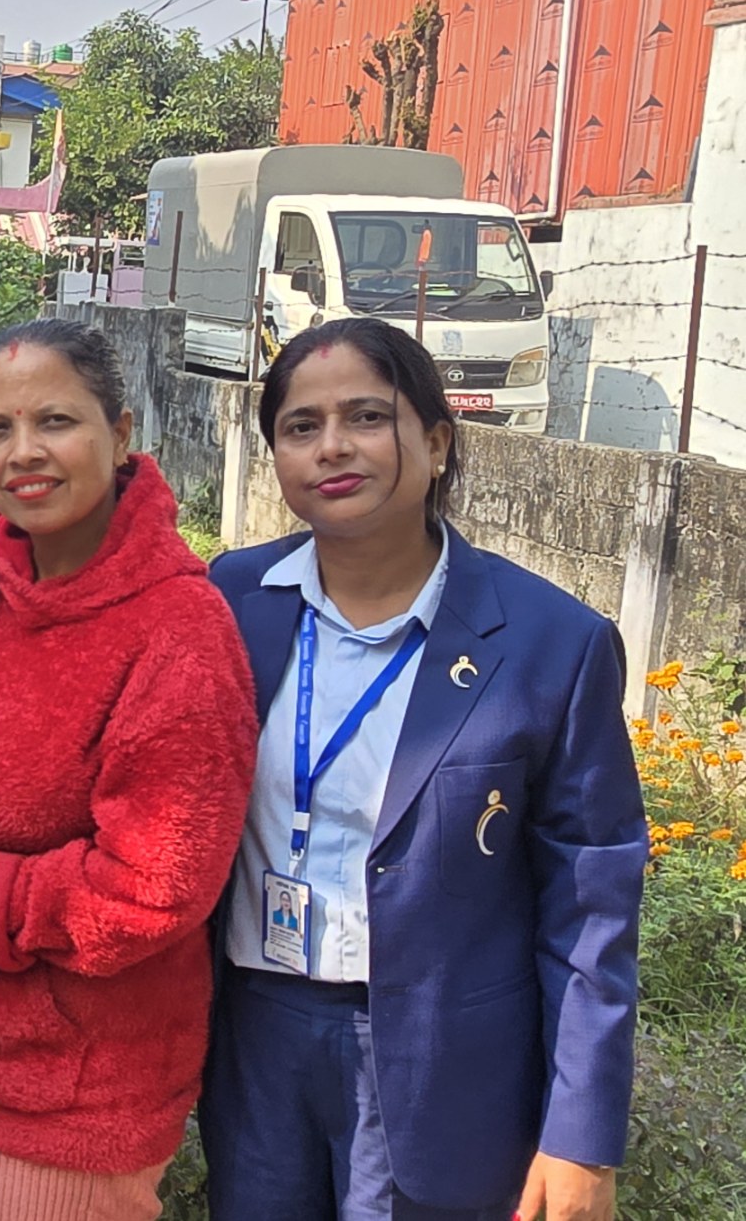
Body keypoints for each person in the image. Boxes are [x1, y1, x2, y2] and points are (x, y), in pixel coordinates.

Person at [200, 316, 646, 1221]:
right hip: (254, 1036)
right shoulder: (231, 601)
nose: (332, 447)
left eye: (367, 417)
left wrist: (581, 1136)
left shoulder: (552, 646)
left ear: (437, 443)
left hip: (438, 1061)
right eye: (300, 426)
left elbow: (591, 909)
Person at [0, 318, 257, 1221]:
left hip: (64, 1099)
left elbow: (154, 887)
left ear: (120, 435)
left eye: (55, 421)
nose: (23, 453)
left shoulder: (179, 635)